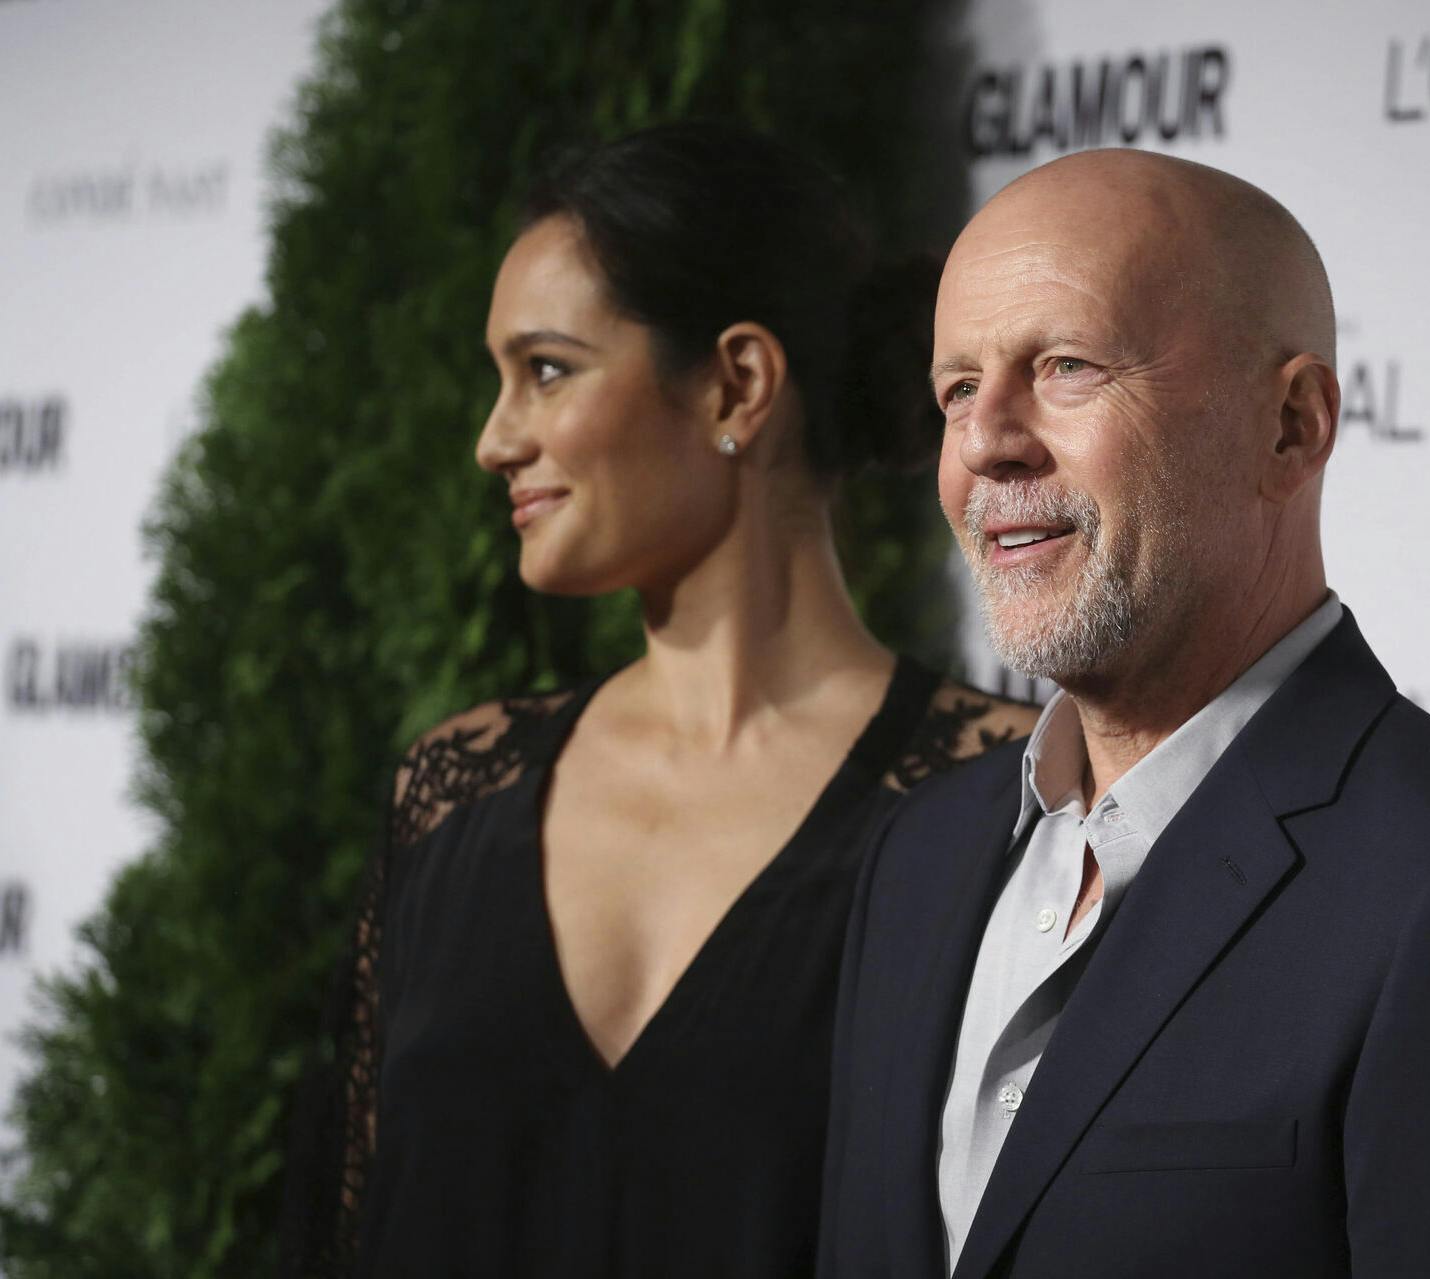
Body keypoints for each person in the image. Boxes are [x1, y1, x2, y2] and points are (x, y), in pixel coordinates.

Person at [818, 148, 1430, 1278]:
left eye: (1068, 367)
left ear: (1290, 428)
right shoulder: (917, 861)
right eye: (956, 390)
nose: (986, 440)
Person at [277, 122, 1037, 1278]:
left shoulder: (1001, 803)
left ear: (737, 381)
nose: (494, 440)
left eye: (546, 369)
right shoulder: (451, 794)